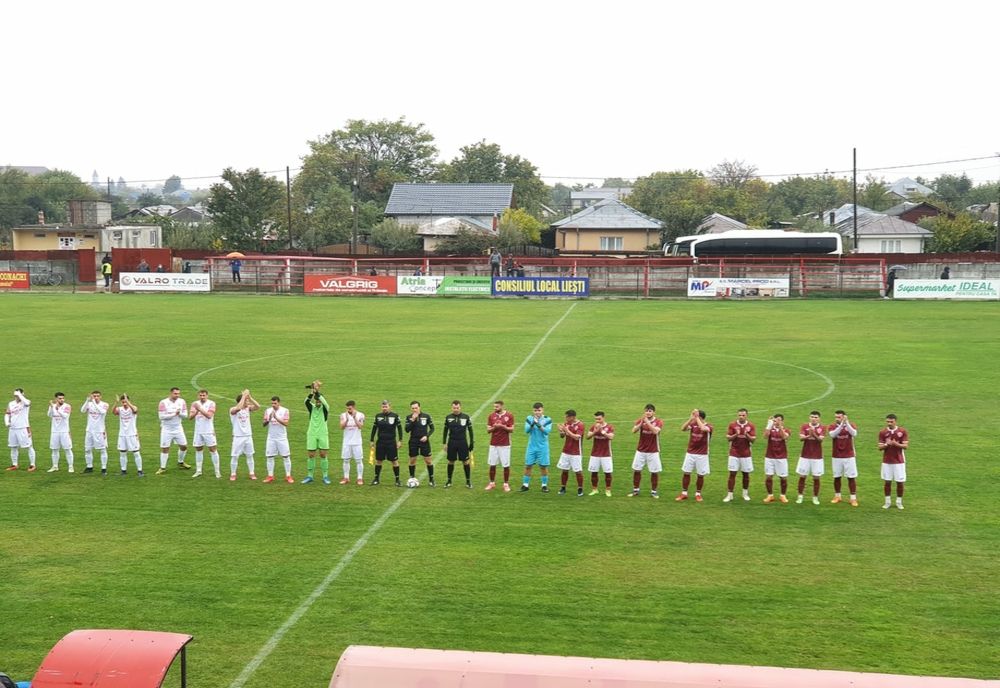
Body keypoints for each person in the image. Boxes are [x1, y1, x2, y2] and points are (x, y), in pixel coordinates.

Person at [676, 409, 712, 502]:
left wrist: (696, 418)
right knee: (686, 472)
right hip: (690, 453)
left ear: (700, 417)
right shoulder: (693, 425)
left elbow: (703, 429)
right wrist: (690, 419)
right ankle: (684, 493)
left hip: (702, 454)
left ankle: (698, 494)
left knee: (700, 475)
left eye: (696, 416)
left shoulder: (709, 426)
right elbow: (683, 428)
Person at [630, 404, 663, 498]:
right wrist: (641, 423)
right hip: (640, 450)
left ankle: (654, 491)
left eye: (650, 411)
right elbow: (633, 430)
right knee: (636, 470)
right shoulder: (641, 420)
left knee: (654, 471)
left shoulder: (658, 421)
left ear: (654, 412)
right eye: (647, 411)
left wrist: (647, 422)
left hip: (653, 451)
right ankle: (636, 490)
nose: (648, 413)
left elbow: (655, 431)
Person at [156, 387, 190, 475]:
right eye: (175, 394)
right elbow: (161, 417)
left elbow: (185, 415)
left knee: (184, 446)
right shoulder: (163, 402)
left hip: (178, 428)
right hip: (166, 429)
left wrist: (180, 414)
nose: (177, 395)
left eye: (178, 394)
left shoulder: (182, 401)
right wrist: (173, 414)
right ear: (171, 393)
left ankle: (180, 462)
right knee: (165, 448)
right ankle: (162, 467)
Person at [724, 408, 756, 503]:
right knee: (732, 474)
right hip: (734, 453)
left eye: (743, 415)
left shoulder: (751, 426)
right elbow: (728, 438)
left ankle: (745, 494)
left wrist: (747, 435)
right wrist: (735, 435)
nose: (741, 417)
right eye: (740, 415)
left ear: (747, 415)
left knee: (746, 474)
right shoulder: (732, 425)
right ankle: (730, 495)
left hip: (746, 454)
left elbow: (753, 440)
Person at [828, 409, 859, 507]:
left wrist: (847, 423)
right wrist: (841, 425)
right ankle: (837, 496)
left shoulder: (851, 425)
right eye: (836, 417)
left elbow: (854, 433)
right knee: (837, 476)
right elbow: (832, 435)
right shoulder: (832, 426)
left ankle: (853, 498)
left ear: (844, 417)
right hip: (836, 455)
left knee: (851, 477)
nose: (837, 418)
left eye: (839, 417)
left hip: (849, 456)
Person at [302, 381, 330, 484]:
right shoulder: (312, 408)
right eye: (316, 400)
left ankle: (325, 476)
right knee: (311, 455)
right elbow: (306, 402)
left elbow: (325, 402)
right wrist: (312, 393)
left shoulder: (325, 409)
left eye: (319, 401)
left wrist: (317, 391)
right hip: (312, 433)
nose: (318, 402)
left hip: (322, 434)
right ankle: (310, 476)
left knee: (323, 454)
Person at [879, 413, 909, 510]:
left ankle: (899, 502)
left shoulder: (902, 431)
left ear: (895, 421)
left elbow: (905, 446)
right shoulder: (883, 432)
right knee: (887, 481)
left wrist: (896, 444)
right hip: (887, 461)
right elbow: (879, 447)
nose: (889, 423)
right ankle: (887, 502)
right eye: (887, 421)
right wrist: (887, 445)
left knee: (900, 482)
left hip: (899, 461)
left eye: (891, 422)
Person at [189, 389, 221, 479]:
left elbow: (209, 416)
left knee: (213, 450)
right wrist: (196, 411)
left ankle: (217, 471)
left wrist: (199, 408)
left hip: (208, 431)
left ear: (207, 396)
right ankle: (198, 471)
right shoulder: (194, 403)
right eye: (200, 395)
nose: (202, 397)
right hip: (198, 431)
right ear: (198, 396)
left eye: (204, 395)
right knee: (198, 449)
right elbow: (190, 417)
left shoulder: (211, 403)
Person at [441, 400, 474, 488]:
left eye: (457, 408)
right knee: (451, 461)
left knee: (465, 461)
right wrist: (444, 443)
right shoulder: (448, 417)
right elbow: (445, 431)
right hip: (452, 442)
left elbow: (470, 431)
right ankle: (449, 481)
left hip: (462, 442)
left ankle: (468, 481)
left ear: (460, 407)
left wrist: (471, 442)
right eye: (454, 408)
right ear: (452, 408)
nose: (456, 409)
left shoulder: (466, 417)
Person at [520, 402, 552, 492]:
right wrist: (532, 424)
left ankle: (544, 485)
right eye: (535, 410)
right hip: (531, 446)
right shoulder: (529, 418)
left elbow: (546, 432)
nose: (537, 412)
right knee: (528, 465)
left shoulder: (547, 419)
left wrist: (538, 424)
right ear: (533, 410)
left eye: (539, 410)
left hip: (543, 447)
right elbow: (526, 431)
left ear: (542, 410)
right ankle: (525, 485)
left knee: (543, 466)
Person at [229, 389, 260, 481]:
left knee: (250, 455)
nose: (248, 402)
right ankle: (233, 473)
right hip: (238, 436)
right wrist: (243, 396)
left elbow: (258, 406)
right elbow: (238, 409)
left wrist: (249, 397)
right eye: (246, 401)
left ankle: (251, 473)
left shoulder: (247, 409)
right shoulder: (232, 409)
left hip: (248, 436)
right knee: (235, 456)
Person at [370, 400, 403, 486]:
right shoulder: (378, 416)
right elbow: (374, 429)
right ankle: (376, 479)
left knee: (394, 461)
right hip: (380, 442)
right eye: (383, 407)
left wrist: (400, 440)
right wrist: (371, 440)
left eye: (386, 406)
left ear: (390, 407)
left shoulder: (395, 416)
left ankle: (397, 480)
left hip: (391, 442)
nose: (384, 408)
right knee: (379, 460)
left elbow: (399, 428)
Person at [795, 410, 825, 505]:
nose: (814, 419)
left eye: (816, 417)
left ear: (819, 418)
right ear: (809, 417)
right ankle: (800, 496)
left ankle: (815, 497)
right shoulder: (804, 426)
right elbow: (801, 438)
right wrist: (809, 435)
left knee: (816, 477)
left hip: (817, 457)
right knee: (802, 476)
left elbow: (820, 440)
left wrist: (814, 434)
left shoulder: (823, 427)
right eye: (812, 417)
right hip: (805, 456)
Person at [485, 400, 514, 492]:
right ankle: (492, 483)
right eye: (494, 407)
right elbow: (488, 430)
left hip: (505, 444)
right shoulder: (491, 416)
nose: (495, 408)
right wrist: (495, 427)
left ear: (502, 406)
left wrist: (502, 426)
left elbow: (512, 429)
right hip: (493, 444)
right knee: (492, 464)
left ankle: (506, 484)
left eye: (497, 407)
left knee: (506, 465)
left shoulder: (509, 416)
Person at [262, 396, 292, 483]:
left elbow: (286, 423)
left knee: (286, 456)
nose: (273, 405)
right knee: (270, 457)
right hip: (271, 438)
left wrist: (276, 418)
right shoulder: (268, 411)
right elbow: (263, 424)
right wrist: (269, 419)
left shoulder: (285, 410)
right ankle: (270, 476)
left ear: (279, 403)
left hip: (282, 438)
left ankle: (288, 476)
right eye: (272, 403)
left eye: (275, 403)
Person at [5, 389, 36, 471]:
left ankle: (32, 465)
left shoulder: (25, 402)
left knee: (28, 446)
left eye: (19, 394)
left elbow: (27, 403)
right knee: (13, 446)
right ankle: (14, 464)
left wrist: (20, 395)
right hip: (13, 428)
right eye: (16, 394)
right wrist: (7, 422)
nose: (17, 396)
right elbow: (7, 414)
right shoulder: (11, 403)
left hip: (23, 428)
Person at [80, 391, 110, 475]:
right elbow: (82, 410)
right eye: (94, 396)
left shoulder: (105, 404)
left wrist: (93, 402)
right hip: (89, 430)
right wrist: (87, 401)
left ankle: (104, 468)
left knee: (102, 449)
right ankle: (89, 467)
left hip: (100, 431)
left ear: (100, 397)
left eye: (97, 396)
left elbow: (102, 412)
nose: (96, 397)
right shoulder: (89, 404)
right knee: (87, 449)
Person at [556, 409, 585, 496]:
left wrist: (567, 430)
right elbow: (562, 436)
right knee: (564, 470)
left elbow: (577, 437)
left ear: (572, 417)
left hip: (576, 452)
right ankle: (563, 487)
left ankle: (580, 489)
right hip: (566, 451)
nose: (566, 418)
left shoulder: (580, 425)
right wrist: (561, 431)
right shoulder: (566, 424)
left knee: (578, 471)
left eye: (567, 417)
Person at [762, 414, 790, 503]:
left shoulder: (786, 430)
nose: (776, 422)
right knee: (769, 476)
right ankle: (770, 495)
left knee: (783, 477)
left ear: (782, 421)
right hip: (769, 456)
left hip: (781, 457)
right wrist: (769, 425)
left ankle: (783, 495)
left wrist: (780, 427)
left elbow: (784, 437)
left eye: (779, 420)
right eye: (775, 420)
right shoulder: (770, 429)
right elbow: (765, 436)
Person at [405, 401, 435, 485]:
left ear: (419, 407)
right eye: (413, 408)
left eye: (416, 408)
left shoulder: (426, 416)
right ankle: (412, 478)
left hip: (424, 442)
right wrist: (413, 420)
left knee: (428, 461)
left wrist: (427, 436)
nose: (414, 410)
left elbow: (432, 428)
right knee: (412, 460)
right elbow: (407, 430)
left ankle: (431, 479)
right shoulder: (409, 417)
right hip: (413, 441)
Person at [586, 411, 615, 496]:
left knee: (607, 473)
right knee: (594, 472)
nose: (597, 421)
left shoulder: (609, 427)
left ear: (603, 418)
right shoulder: (593, 427)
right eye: (596, 419)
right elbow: (587, 437)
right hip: (595, 453)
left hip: (606, 454)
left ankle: (608, 490)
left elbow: (611, 437)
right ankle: (594, 489)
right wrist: (595, 431)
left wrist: (602, 431)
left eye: (599, 419)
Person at [113, 393, 143, 476]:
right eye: (123, 402)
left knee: (136, 452)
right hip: (122, 434)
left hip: (132, 434)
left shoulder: (133, 408)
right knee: (122, 452)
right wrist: (116, 402)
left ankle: (140, 471)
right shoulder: (120, 409)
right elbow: (113, 412)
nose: (125, 404)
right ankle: (123, 471)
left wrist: (128, 402)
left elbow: (135, 410)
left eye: (126, 402)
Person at [339, 400, 366, 485]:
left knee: (358, 460)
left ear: (354, 407)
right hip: (347, 442)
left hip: (357, 442)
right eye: (347, 408)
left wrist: (354, 418)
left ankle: (360, 478)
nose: (348, 410)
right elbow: (341, 427)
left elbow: (360, 426)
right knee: (346, 460)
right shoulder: (343, 415)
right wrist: (346, 420)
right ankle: (346, 477)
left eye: (350, 408)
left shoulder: (361, 415)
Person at [46, 392, 74, 472]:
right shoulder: (53, 406)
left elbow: (65, 416)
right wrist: (52, 407)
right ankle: (55, 466)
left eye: (63, 398)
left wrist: (56, 408)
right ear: (56, 399)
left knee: (67, 449)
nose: (62, 400)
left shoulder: (67, 406)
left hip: (64, 432)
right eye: (60, 398)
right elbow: (49, 415)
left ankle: (71, 466)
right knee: (54, 449)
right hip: (54, 431)